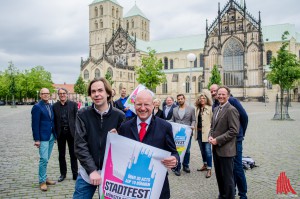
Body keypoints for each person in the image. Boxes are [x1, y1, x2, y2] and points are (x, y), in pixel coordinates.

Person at [118, 90, 179, 199]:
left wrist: (175, 159)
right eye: (139, 104)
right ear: (134, 105)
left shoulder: (165, 127)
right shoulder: (124, 127)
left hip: (157, 186)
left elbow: (174, 152)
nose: (142, 108)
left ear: (153, 105)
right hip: (131, 186)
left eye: (146, 104)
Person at [73, 78, 125, 198]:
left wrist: (119, 139)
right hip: (87, 173)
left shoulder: (120, 116)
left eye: (100, 90)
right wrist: (92, 170)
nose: (96, 94)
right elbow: (80, 145)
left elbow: (126, 147)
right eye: (93, 91)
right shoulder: (82, 114)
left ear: (108, 93)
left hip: (112, 174)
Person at [210, 84, 249, 198]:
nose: (215, 94)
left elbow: (244, 117)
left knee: (236, 168)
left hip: (235, 140)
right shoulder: (216, 106)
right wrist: (211, 136)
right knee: (222, 172)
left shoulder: (233, 103)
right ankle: (226, 193)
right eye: (213, 92)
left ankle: (242, 194)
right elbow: (214, 126)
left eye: (222, 94)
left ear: (228, 95)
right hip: (219, 142)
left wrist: (241, 133)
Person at [31, 88, 57, 191]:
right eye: (43, 93)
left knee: (47, 159)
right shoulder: (37, 107)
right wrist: (37, 139)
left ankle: (45, 178)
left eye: (47, 93)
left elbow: (52, 121)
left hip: (51, 136)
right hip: (42, 137)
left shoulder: (50, 106)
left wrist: (54, 136)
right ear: (40, 95)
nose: (46, 95)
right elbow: (35, 124)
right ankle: (42, 181)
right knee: (43, 159)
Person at [53, 88, 78, 182]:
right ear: (58, 95)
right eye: (60, 93)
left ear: (67, 94)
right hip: (61, 133)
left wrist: (77, 132)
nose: (62, 95)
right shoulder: (54, 106)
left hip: (71, 133)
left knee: (73, 155)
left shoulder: (73, 105)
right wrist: (54, 134)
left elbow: (77, 119)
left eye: (64, 93)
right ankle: (63, 174)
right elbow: (54, 121)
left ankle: (75, 174)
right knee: (61, 155)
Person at [171, 94, 195, 176]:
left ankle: (186, 165)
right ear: (177, 100)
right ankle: (177, 167)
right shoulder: (174, 109)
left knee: (187, 150)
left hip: (187, 134)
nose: (180, 100)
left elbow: (193, 120)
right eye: (178, 99)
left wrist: (192, 126)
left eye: (181, 99)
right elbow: (172, 120)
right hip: (177, 134)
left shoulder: (191, 109)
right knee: (178, 150)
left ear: (184, 99)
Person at [194, 92, 213, 178]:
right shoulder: (197, 109)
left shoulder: (210, 108)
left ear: (206, 100)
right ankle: (205, 165)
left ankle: (209, 169)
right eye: (200, 98)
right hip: (199, 132)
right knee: (202, 150)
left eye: (204, 98)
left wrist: (212, 133)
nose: (202, 100)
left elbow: (213, 122)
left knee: (208, 151)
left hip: (207, 133)